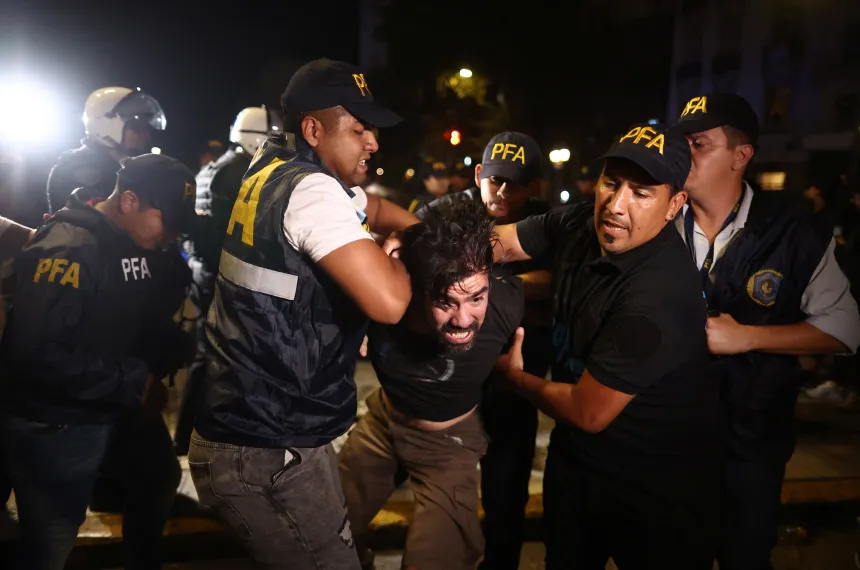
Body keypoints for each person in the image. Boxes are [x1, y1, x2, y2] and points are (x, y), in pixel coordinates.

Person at [189, 58, 417, 570]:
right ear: (314, 129)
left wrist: (415, 226)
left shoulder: (274, 168)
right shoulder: (311, 191)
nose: (373, 143)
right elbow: (391, 301)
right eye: (359, 129)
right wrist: (401, 255)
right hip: (270, 445)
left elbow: (373, 211)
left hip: (245, 427)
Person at [491, 122, 723, 569]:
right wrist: (424, 242)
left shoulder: (656, 295)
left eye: (641, 193)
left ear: (675, 205)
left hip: (659, 488)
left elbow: (587, 410)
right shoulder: (583, 219)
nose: (616, 205)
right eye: (611, 183)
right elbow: (503, 243)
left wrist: (516, 378)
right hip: (578, 463)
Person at [672, 93, 860, 570]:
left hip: (752, 439)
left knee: (745, 555)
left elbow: (842, 329)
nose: (682, 153)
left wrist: (750, 337)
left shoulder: (793, 230)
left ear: (741, 155)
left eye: (698, 144)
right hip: (668, 436)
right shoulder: (659, 220)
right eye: (681, 142)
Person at [0, 154, 196, 570]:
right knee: (51, 539)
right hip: (58, 421)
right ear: (128, 201)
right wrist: (135, 382)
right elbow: (39, 353)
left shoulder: (132, 240)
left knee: (159, 476)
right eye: (167, 220)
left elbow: (129, 314)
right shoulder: (70, 246)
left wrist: (173, 343)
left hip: (110, 405)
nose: (172, 234)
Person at [338, 200, 523, 570]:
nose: (463, 319)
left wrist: (509, 369)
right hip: (383, 424)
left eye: (476, 298)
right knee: (321, 532)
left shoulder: (506, 303)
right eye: (446, 302)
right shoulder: (387, 299)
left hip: (450, 445)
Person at [416, 131, 552, 569]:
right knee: (441, 504)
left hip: (513, 383)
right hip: (451, 380)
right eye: (495, 180)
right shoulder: (449, 210)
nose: (503, 192)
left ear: (535, 186)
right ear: (479, 174)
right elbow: (414, 253)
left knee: (505, 505)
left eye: (516, 183)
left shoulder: (548, 222)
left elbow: (562, 281)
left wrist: (472, 284)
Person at [174, 106, 282, 455]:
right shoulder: (241, 169)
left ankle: (188, 433)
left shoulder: (212, 167)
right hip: (224, 273)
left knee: (208, 354)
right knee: (220, 357)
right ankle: (198, 434)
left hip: (203, 269)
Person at [47, 86, 166, 213]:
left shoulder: (136, 170)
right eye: (138, 127)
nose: (146, 136)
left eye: (148, 129)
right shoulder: (72, 170)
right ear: (107, 123)